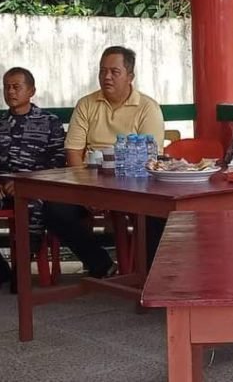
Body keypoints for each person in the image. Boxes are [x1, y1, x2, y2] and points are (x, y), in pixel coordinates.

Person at [44, 46, 165, 275]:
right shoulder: (86, 104)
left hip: (133, 187)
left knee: (156, 213)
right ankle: (101, 264)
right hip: (89, 182)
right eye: (102, 71)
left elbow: (148, 159)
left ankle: (146, 277)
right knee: (54, 210)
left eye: (114, 72)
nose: (106, 77)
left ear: (130, 76)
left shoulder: (147, 107)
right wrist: (90, 191)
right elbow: (73, 152)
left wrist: (113, 194)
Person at [0, 68, 66, 293]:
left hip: (32, 189)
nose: (11, 91)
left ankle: (21, 268)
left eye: (17, 87)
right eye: (7, 87)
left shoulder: (50, 122)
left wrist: (27, 184)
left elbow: (57, 161)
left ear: (31, 91)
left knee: (35, 208)